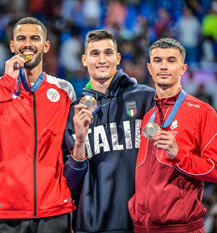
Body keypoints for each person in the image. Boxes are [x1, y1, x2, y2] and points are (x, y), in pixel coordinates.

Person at [0, 17, 76, 232]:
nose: (27, 44)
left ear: (46, 46)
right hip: (6, 210)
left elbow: (71, 149)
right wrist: (7, 83)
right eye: (21, 38)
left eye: (35, 39)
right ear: (13, 46)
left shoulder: (64, 91)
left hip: (54, 209)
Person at [128, 38, 217, 233]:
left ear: (183, 68)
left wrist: (180, 155)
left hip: (181, 228)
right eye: (157, 61)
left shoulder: (202, 112)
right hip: (142, 228)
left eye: (171, 60)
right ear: (149, 68)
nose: (164, 66)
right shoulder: (148, 115)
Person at [63, 29, 156, 232]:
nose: (102, 59)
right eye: (95, 54)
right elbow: (69, 185)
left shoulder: (146, 99)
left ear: (118, 58)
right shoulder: (75, 113)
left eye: (108, 52)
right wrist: (79, 142)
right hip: (90, 226)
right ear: (84, 60)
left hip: (140, 223)